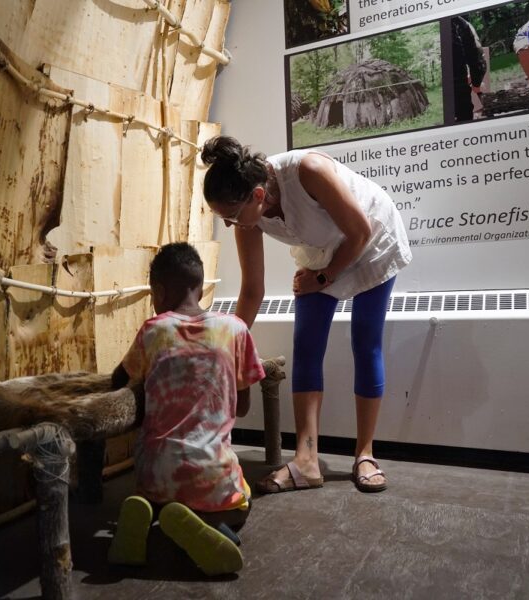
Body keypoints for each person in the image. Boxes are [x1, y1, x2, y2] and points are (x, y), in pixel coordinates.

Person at [201, 136, 412, 494]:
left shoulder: (307, 171)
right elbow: (253, 290)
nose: (229, 224)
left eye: (231, 215)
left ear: (257, 195)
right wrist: (230, 344)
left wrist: (324, 278)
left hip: (371, 239)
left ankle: (365, 453)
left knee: (365, 340)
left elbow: (360, 230)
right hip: (321, 251)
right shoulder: (247, 217)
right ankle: (307, 459)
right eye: (222, 217)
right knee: (307, 346)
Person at [107, 242, 266, 576]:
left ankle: (151, 513)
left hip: (156, 474)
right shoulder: (236, 329)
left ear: (160, 291)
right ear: (200, 284)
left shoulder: (153, 330)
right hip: (212, 476)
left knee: (155, 488)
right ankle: (207, 524)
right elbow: (245, 407)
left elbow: (118, 378)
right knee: (243, 503)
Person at [452, 15, 487, 122]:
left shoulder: (460, 24)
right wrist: (476, 82)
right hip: (459, 88)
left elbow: (475, 51)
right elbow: (475, 51)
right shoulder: (460, 23)